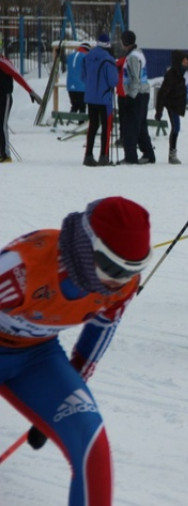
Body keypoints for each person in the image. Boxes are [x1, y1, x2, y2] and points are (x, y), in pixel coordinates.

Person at [0, 196, 152, 506]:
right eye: (111, 266)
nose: (118, 282)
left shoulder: (122, 286)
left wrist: (56, 404)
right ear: (86, 245)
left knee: (90, 442)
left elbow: (95, 341)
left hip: (37, 359)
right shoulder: (20, 269)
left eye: (132, 270)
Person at [119, 30, 156, 165]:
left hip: (137, 94)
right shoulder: (138, 52)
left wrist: (130, 97)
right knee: (140, 125)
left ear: (126, 42)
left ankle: (130, 156)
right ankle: (148, 153)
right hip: (142, 93)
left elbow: (135, 78)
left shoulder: (133, 57)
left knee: (130, 125)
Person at [81, 34, 118, 167]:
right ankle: (104, 155)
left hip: (90, 97)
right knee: (106, 127)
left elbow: (83, 77)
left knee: (93, 125)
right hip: (104, 97)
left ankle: (88, 155)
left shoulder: (88, 57)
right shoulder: (109, 60)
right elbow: (113, 81)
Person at [0, 53, 40, 163]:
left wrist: (30, 91)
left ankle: (5, 154)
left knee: (2, 125)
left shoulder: (3, 62)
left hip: (4, 97)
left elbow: (17, 75)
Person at [154, 50, 188, 165]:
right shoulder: (172, 75)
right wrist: (159, 111)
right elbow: (162, 93)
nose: (186, 64)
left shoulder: (182, 73)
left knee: (176, 128)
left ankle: (172, 153)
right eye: (184, 62)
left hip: (177, 105)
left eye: (186, 62)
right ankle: (172, 154)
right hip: (172, 105)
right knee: (176, 128)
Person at [66, 42, 90, 114]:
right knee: (82, 107)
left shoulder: (70, 56)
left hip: (70, 86)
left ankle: (70, 120)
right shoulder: (85, 57)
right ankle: (81, 123)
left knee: (74, 105)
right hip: (82, 86)